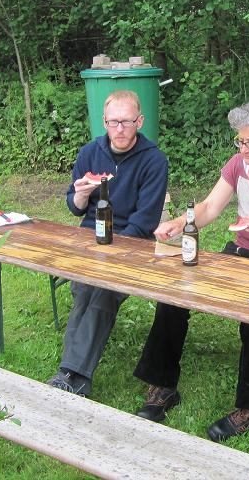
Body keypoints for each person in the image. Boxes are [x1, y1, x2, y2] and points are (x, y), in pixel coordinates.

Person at [133, 98, 249, 441]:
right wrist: (180, 222)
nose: (244, 148)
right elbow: (209, 208)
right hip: (240, 251)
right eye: (240, 140)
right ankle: (162, 386)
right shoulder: (238, 165)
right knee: (174, 295)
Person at [47, 89, 168, 396]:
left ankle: (70, 373)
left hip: (132, 244)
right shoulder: (89, 152)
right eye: (113, 122)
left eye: (126, 122)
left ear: (139, 121)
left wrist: (111, 255)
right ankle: (77, 377)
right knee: (85, 288)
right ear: (104, 121)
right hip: (89, 241)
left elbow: (146, 221)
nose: (119, 129)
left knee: (102, 289)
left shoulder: (153, 161)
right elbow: (74, 207)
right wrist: (82, 193)